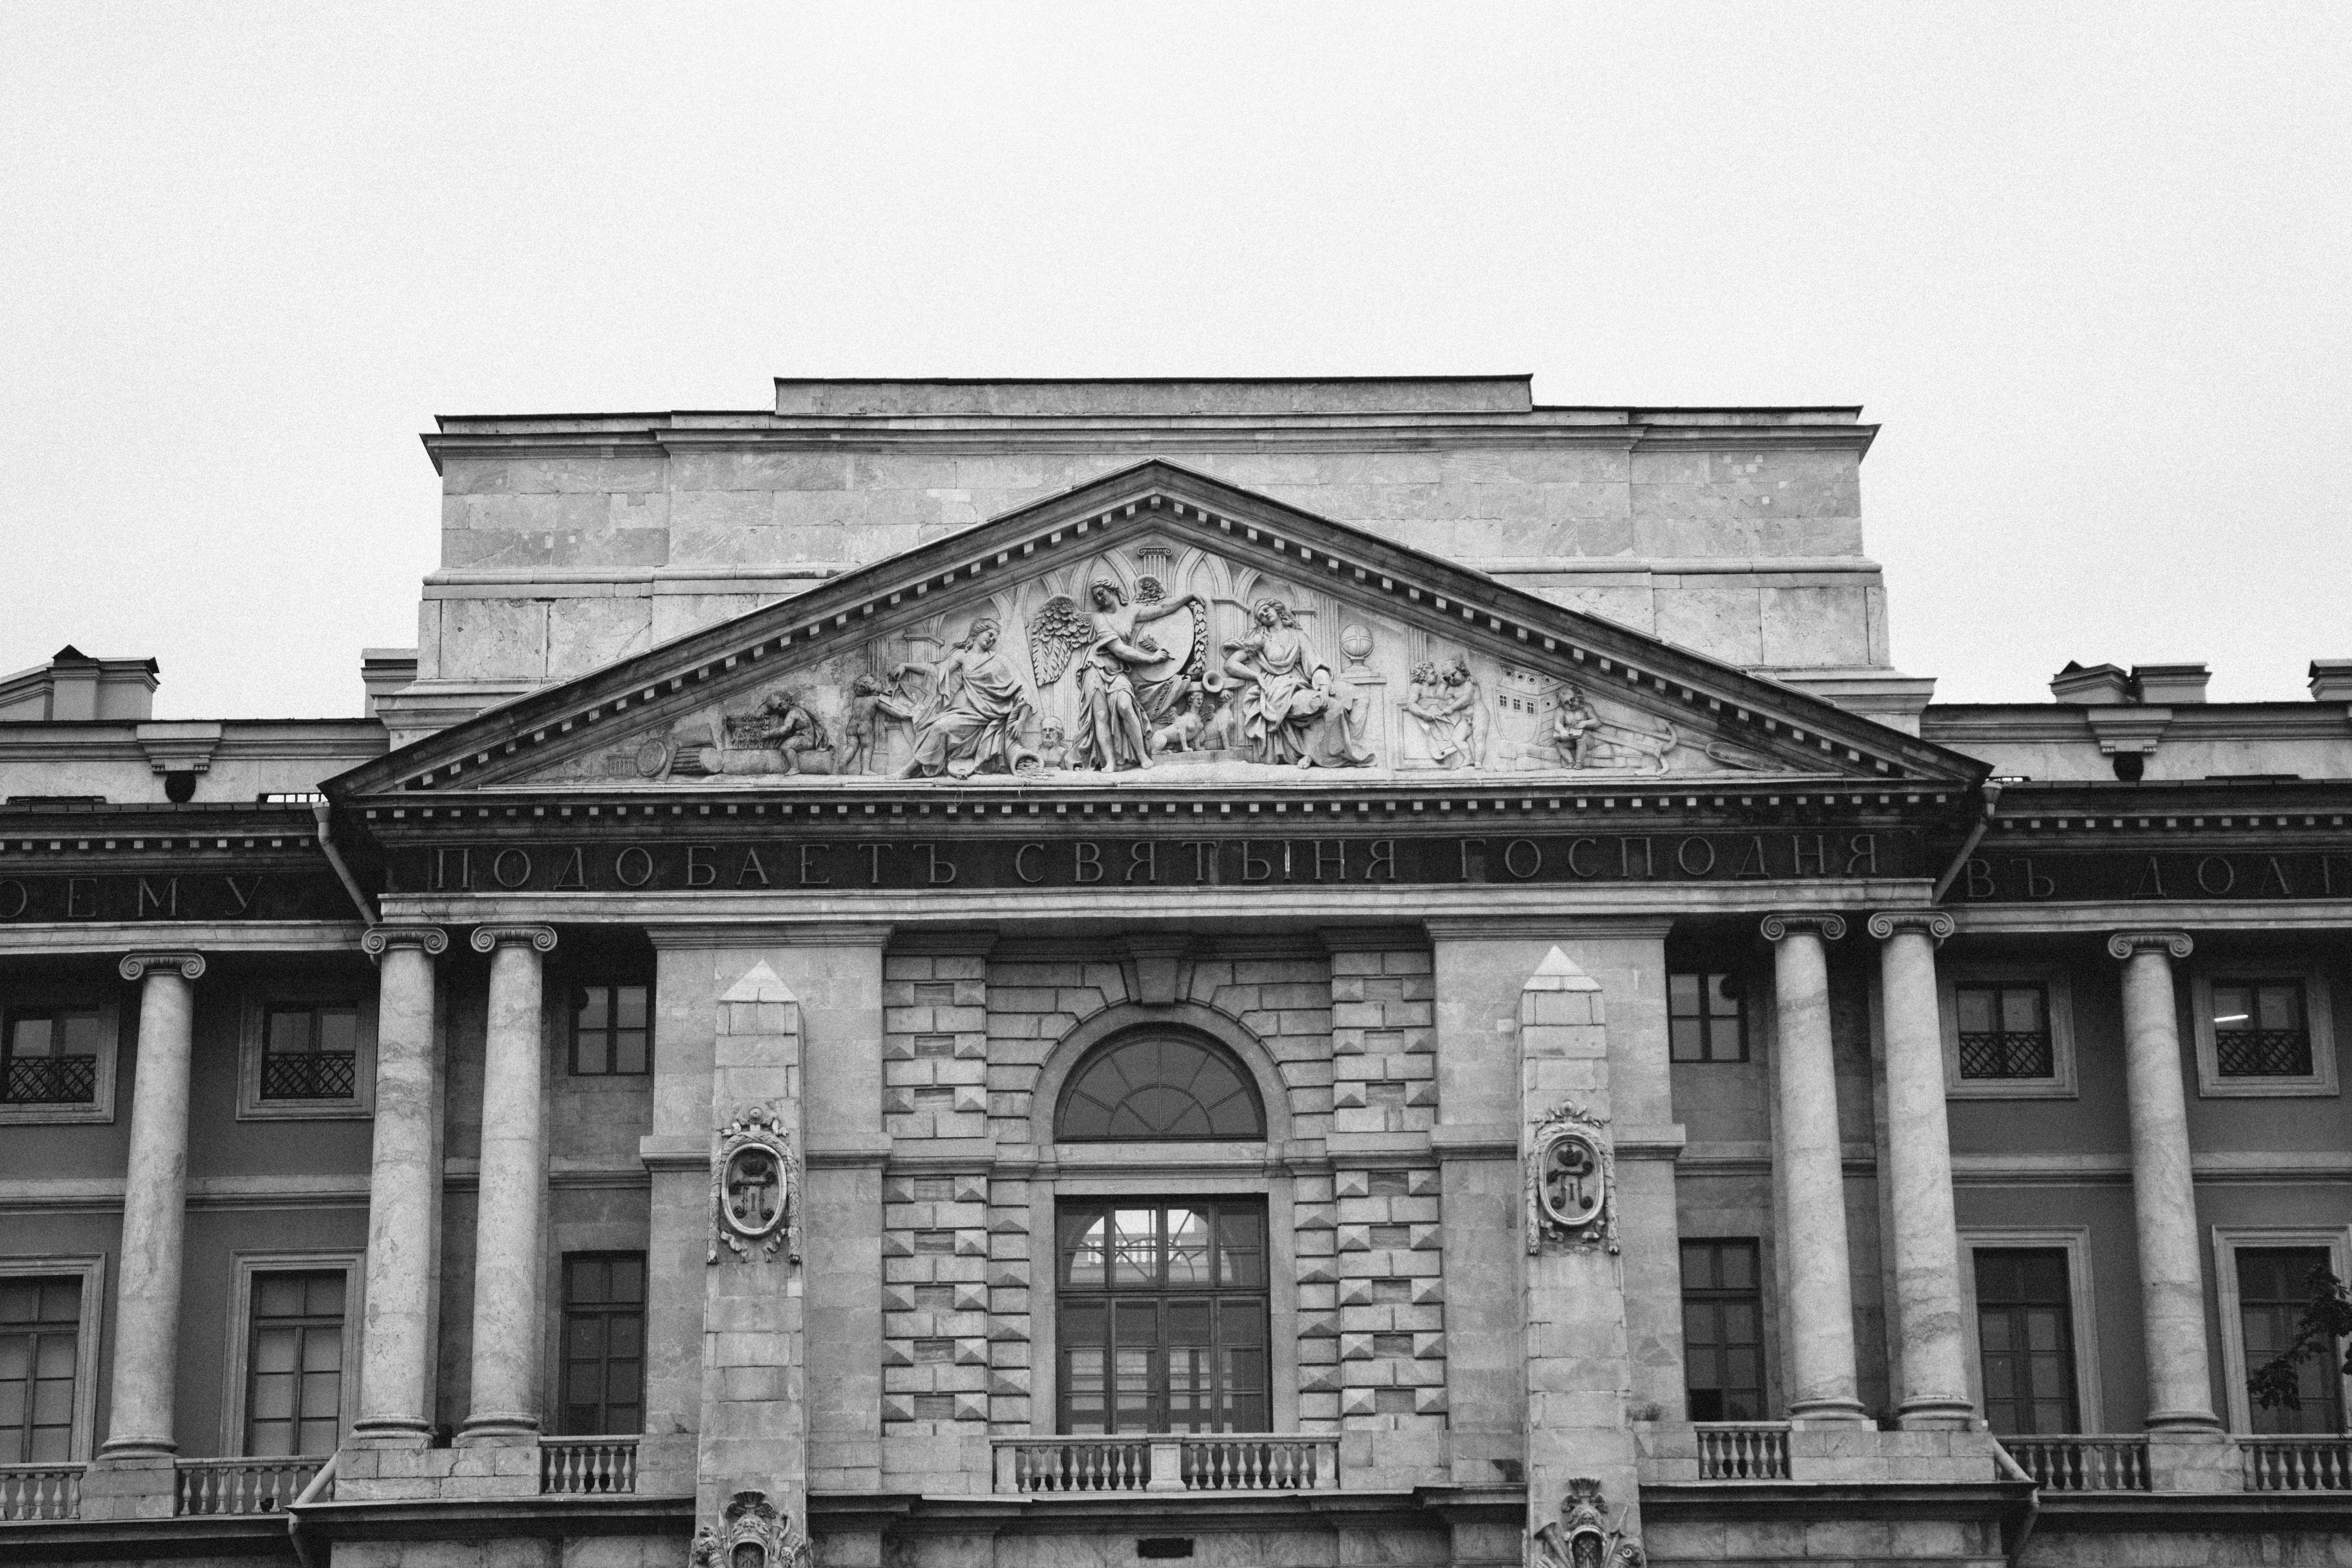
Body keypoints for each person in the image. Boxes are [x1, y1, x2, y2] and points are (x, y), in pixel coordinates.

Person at [1071, 579, 1202, 771]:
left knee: (1125, 705)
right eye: (1096, 597)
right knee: (1100, 715)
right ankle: (1110, 762)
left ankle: (1142, 756)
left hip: (1120, 671)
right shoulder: (1100, 619)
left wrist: (1188, 597)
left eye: (1101, 593)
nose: (1099, 599)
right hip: (1096, 667)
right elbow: (1120, 650)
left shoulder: (1132, 611)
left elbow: (1162, 608)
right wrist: (1151, 659)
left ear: (1112, 589)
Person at [894, 619, 1033, 779]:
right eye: (989, 635)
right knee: (937, 726)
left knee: (939, 726)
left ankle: (910, 768)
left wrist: (1021, 721)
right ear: (977, 633)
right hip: (966, 711)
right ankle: (912, 767)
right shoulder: (962, 656)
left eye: (994, 639)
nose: (991, 640)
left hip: (991, 714)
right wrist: (906, 665)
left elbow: (1024, 691)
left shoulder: (1000, 660)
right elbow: (935, 670)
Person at [1221, 599, 1329, 765]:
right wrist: (1257, 677)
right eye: (1261, 615)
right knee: (1314, 705)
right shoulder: (1261, 639)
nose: (1265, 614)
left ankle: (1312, 752)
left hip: (1299, 684)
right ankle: (1307, 753)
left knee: (1330, 707)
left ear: (1277, 609)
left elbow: (1315, 665)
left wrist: (1324, 688)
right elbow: (1231, 665)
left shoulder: (1298, 636)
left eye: (1266, 609)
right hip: (1275, 689)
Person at [839, 672, 916, 775]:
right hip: (865, 727)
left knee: (852, 747)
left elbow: (874, 692)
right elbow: (891, 710)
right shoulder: (875, 700)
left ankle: (843, 763)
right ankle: (865, 770)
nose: (880, 684)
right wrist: (905, 715)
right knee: (867, 748)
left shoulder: (857, 699)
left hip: (851, 726)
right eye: (876, 683)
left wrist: (882, 692)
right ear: (871, 688)